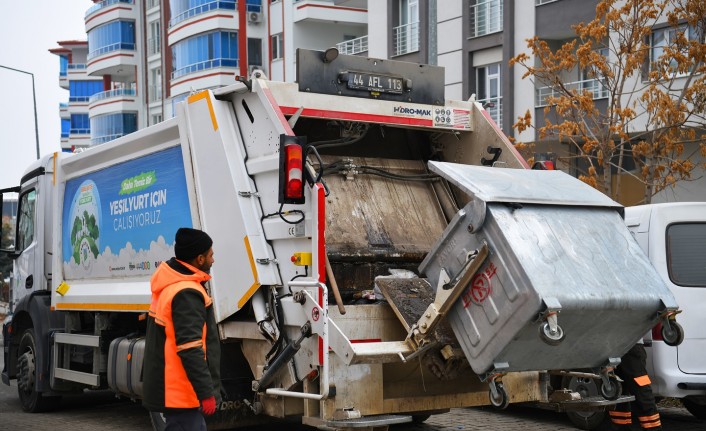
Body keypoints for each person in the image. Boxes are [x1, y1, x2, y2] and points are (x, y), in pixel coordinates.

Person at [143, 227, 222, 431]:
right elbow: (190, 348)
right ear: (200, 259)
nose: (213, 260)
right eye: (211, 255)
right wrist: (206, 393)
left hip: (177, 393)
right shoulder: (186, 292)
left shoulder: (173, 285)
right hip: (181, 394)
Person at [608, 342, 662, 430]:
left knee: (641, 391)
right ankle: (621, 428)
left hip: (631, 345)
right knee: (618, 392)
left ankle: (653, 429)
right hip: (612, 347)